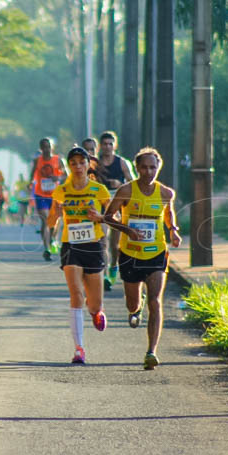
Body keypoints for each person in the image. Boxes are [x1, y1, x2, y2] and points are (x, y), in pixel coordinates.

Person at [101, 147, 181, 370]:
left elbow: (168, 212)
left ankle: (151, 351)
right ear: (136, 168)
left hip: (156, 253)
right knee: (132, 303)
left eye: (152, 167)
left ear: (158, 168)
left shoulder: (165, 193)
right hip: (129, 254)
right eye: (144, 167)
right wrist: (127, 230)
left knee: (156, 300)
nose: (148, 172)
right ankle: (136, 309)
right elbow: (108, 216)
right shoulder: (126, 191)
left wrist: (173, 230)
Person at [47, 147, 111, 364]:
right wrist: (55, 215)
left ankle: (96, 312)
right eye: (72, 163)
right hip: (71, 245)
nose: (77, 166)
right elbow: (49, 222)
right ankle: (79, 348)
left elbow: (114, 216)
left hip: (93, 245)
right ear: (68, 166)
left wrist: (99, 217)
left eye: (81, 162)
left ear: (88, 165)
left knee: (94, 303)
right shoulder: (61, 191)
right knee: (76, 294)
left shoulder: (99, 189)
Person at [98, 131, 134, 289]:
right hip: (100, 206)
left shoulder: (122, 163)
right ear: (100, 146)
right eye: (104, 144)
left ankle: (113, 267)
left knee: (114, 245)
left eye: (110, 144)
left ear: (115, 145)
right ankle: (105, 276)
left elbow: (132, 183)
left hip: (117, 207)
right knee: (103, 241)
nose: (107, 147)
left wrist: (119, 184)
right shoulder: (95, 163)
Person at [30, 137, 67, 261]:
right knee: (45, 220)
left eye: (48, 146)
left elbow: (66, 175)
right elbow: (32, 173)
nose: (46, 149)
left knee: (54, 221)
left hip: (55, 195)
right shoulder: (37, 160)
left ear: (52, 147)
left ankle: (52, 239)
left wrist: (58, 179)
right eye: (44, 146)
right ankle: (46, 248)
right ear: (41, 148)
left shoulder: (58, 160)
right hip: (41, 194)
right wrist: (30, 182)